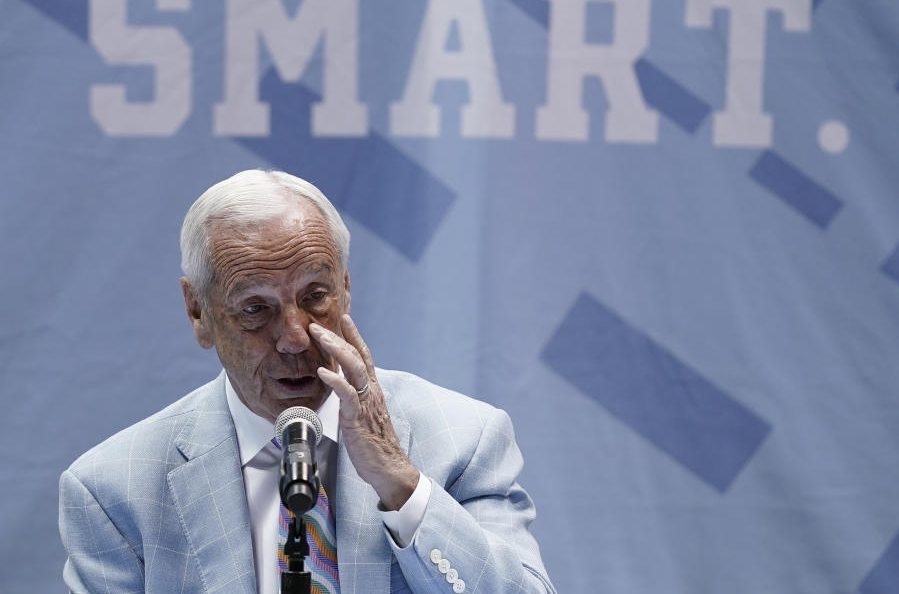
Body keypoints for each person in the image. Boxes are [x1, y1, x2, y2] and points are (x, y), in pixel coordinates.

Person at [58, 169, 556, 594]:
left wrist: (400, 484)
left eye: (316, 296)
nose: (295, 339)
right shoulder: (115, 490)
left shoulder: (464, 438)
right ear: (198, 312)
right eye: (256, 309)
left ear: (346, 288)